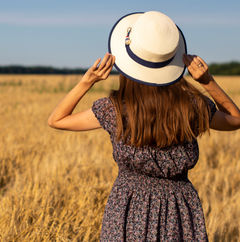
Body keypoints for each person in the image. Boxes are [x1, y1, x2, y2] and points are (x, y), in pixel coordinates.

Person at [47, 11, 240, 241]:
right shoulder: (192, 107)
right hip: (179, 210)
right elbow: (235, 119)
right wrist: (207, 81)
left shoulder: (115, 110)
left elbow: (56, 119)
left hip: (127, 208)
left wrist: (86, 82)